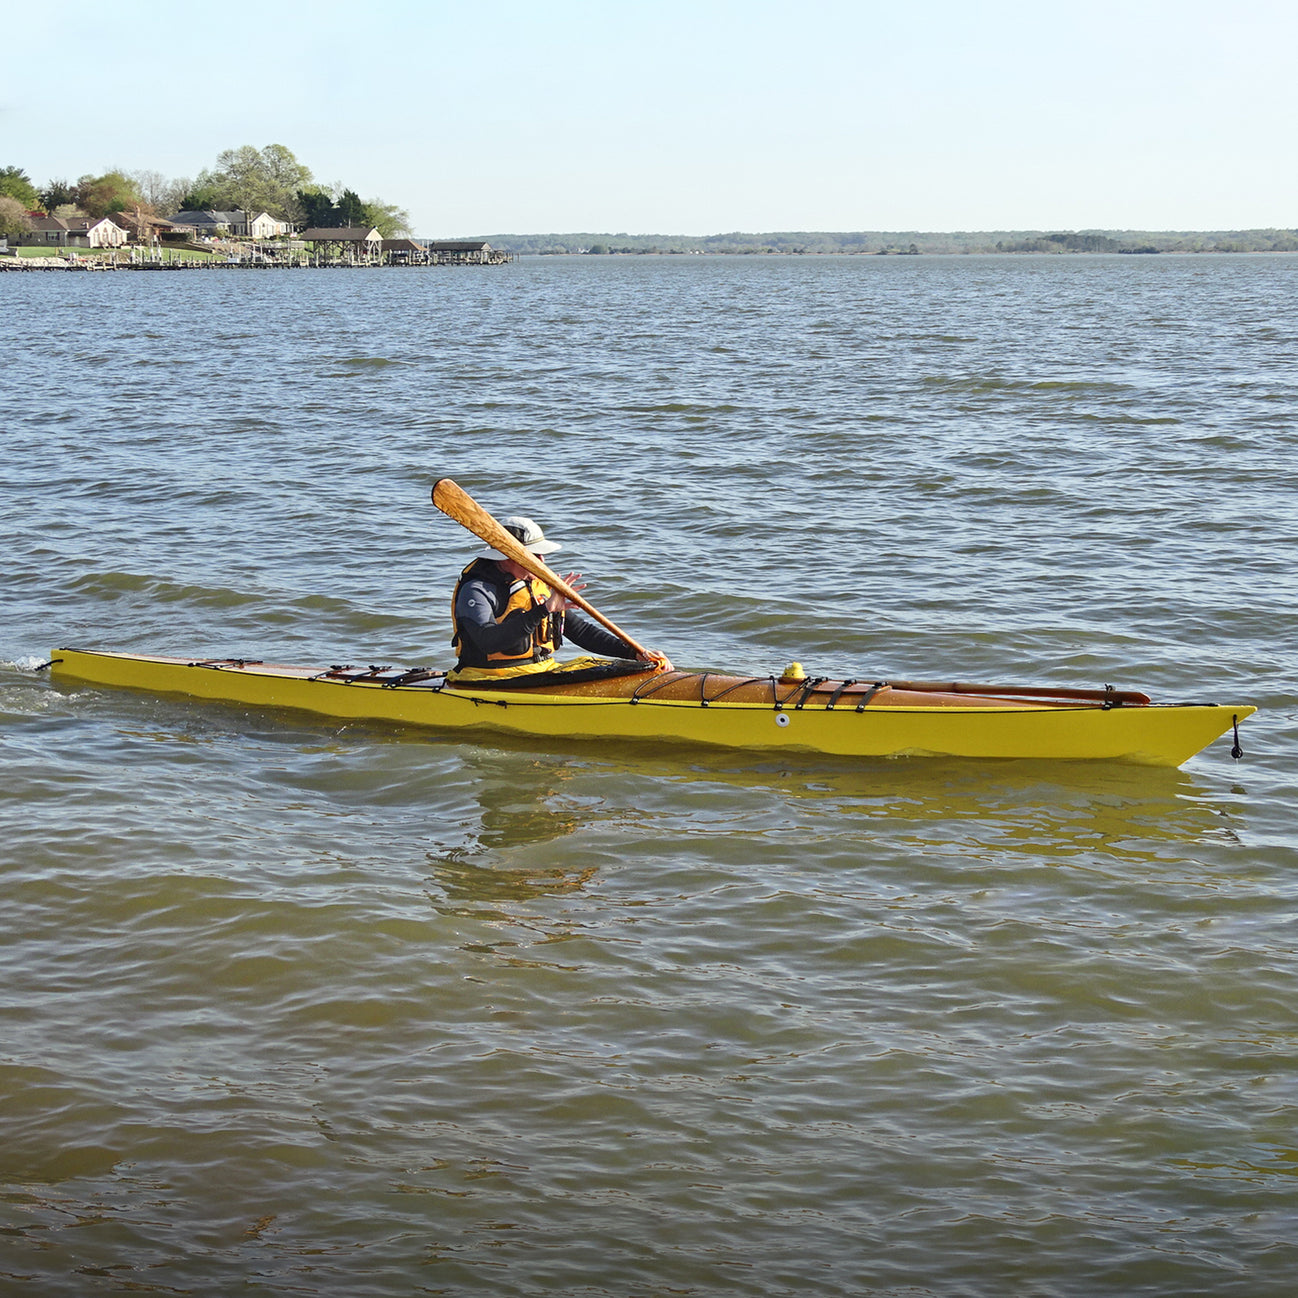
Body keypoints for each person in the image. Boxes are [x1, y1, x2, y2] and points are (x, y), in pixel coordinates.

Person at [448, 515, 673, 681]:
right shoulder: (476, 589)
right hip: (487, 678)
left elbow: (581, 632)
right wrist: (544, 609)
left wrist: (634, 653)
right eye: (535, 555)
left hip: (540, 673)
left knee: (622, 669)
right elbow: (489, 642)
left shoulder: (535, 584)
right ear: (509, 555)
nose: (542, 561)